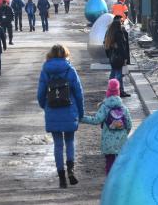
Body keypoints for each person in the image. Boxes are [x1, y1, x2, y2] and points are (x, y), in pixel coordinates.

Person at [37, 44, 84, 188]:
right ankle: (70, 169)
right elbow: (78, 93)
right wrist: (80, 112)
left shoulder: (45, 71)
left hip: (52, 109)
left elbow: (40, 93)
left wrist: (44, 106)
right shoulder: (70, 70)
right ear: (65, 54)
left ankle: (61, 177)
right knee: (69, 141)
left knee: (58, 144)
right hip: (69, 110)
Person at [80, 79, 132, 175]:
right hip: (121, 141)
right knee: (121, 163)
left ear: (108, 92)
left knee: (109, 162)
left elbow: (96, 120)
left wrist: (82, 118)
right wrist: (125, 134)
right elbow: (129, 125)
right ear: (118, 92)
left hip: (108, 142)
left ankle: (109, 182)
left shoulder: (104, 107)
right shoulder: (124, 109)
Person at [104, 17, 131, 97]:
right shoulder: (119, 33)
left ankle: (113, 89)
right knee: (118, 74)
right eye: (121, 23)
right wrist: (125, 58)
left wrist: (109, 55)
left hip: (113, 58)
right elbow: (122, 47)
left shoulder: (110, 33)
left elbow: (106, 46)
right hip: (119, 58)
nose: (122, 24)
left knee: (113, 74)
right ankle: (118, 91)